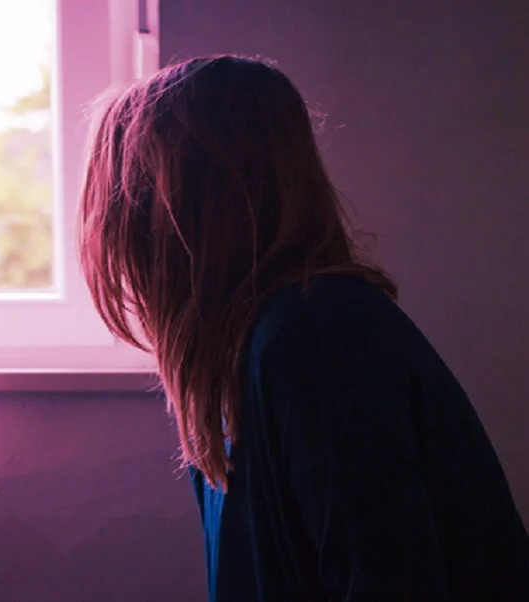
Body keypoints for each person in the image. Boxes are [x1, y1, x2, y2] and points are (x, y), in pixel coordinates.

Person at [77, 55, 529, 602]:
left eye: (133, 207)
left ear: (187, 215)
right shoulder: (252, 354)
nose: (120, 247)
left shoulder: (315, 340)